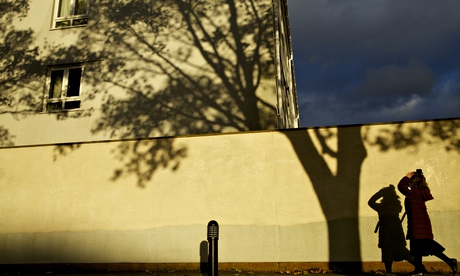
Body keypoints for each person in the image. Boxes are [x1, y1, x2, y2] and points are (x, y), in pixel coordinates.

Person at [398, 169, 457, 276]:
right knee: (421, 248)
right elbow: (423, 187)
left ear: (413, 181)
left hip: (416, 224)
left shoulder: (412, 193)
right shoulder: (423, 192)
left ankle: (446, 262)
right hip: (423, 224)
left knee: (421, 247)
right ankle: (421, 270)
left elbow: (401, 186)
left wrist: (407, 176)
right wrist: (420, 176)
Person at [368, 184, 417, 274]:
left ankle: (389, 272)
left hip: (385, 231)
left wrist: (379, 193)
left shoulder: (381, 207)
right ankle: (419, 266)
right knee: (403, 251)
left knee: (387, 252)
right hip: (396, 231)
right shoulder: (397, 206)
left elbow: (370, 202)